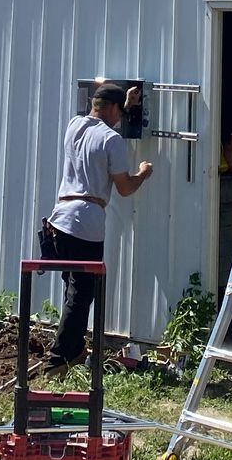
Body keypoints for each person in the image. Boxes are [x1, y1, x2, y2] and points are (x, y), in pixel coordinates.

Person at [39, 83, 153, 369]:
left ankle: (74, 350)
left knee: (72, 289)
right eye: (119, 112)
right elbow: (124, 188)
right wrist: (143, 174)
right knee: (82, 293)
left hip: (58, 220)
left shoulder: (74, 126)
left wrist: (124, 105)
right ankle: (58, 359)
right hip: (86, 223)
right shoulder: (113, 139)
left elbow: (99, 126)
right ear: (113, 108)